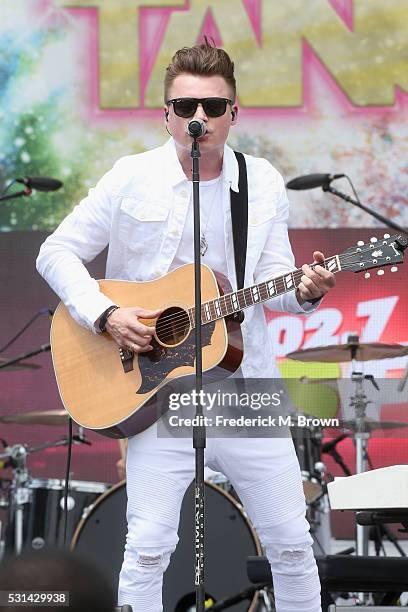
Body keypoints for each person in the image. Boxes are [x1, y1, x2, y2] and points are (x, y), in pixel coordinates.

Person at [37, 40, 335, 612]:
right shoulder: (130, 176)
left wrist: (306, 292)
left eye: (214, 108)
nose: (200, 119)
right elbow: (56, 253)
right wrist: (105, 313)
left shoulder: (263, 182)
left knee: (293, 546)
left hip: (245, 383)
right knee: (147, 548)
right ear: (166, 113)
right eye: (186, 107)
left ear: (234, 113)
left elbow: (276, 284)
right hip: (156, 387)